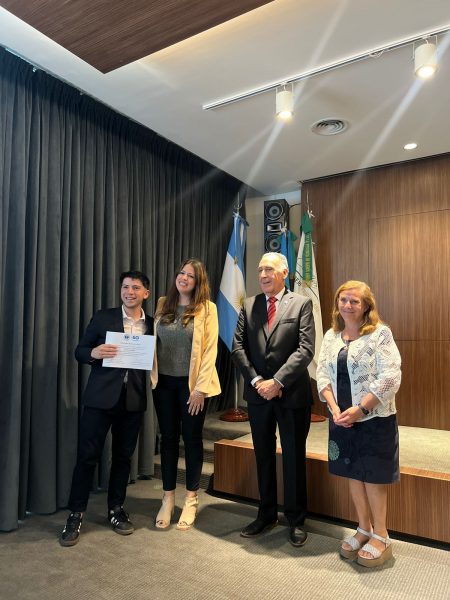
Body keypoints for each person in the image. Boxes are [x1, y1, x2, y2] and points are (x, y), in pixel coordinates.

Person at [60, 271, 153, 546]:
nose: (129, 292)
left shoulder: (153, 323)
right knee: (87, 456)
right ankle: (76, 514)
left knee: (123, 458)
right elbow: (79, 350)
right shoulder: (103, 317)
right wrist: (93, 353)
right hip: (100, 399)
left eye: (135, 288)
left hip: (133, 400)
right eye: (125, 287)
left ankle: (116, 509)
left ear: (145, 293)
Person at [316, 280, 401, 568]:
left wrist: (361, 409)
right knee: (352, 472)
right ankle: (363, 528)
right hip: (341, 418)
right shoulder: (331, 336)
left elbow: (391, 376)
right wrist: (334, 408)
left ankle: (381, 535)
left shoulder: (380, 334)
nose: (348, 305)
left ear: (366, 306)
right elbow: (322, 374)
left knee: (373, 476)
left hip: (373, 417)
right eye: (343, 300)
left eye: (354, 301)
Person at [232, 252, 315, 547]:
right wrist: (257, 381)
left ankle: (296, 519)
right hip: (258, 395)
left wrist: (278, 382)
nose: (263, 275)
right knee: (263, 456)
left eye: (269, 269)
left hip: (291, 395)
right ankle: (266, 514)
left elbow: (305, 349)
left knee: (293, 457)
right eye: (260, 270)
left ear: (284, 272)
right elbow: (238, 347)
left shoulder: (301, 303)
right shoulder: (249, 305)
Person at [151, 258, 220, 530]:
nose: (184, 278)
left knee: (191, 439)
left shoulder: (208, 309)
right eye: (181, 273)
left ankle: (191, 499)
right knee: (168, 439)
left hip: (192, 388)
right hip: (163, 384)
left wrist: (200, 389)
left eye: (190, 276)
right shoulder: (162, 304)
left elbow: (210, 350)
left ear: (198, 281)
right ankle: (168, 498)